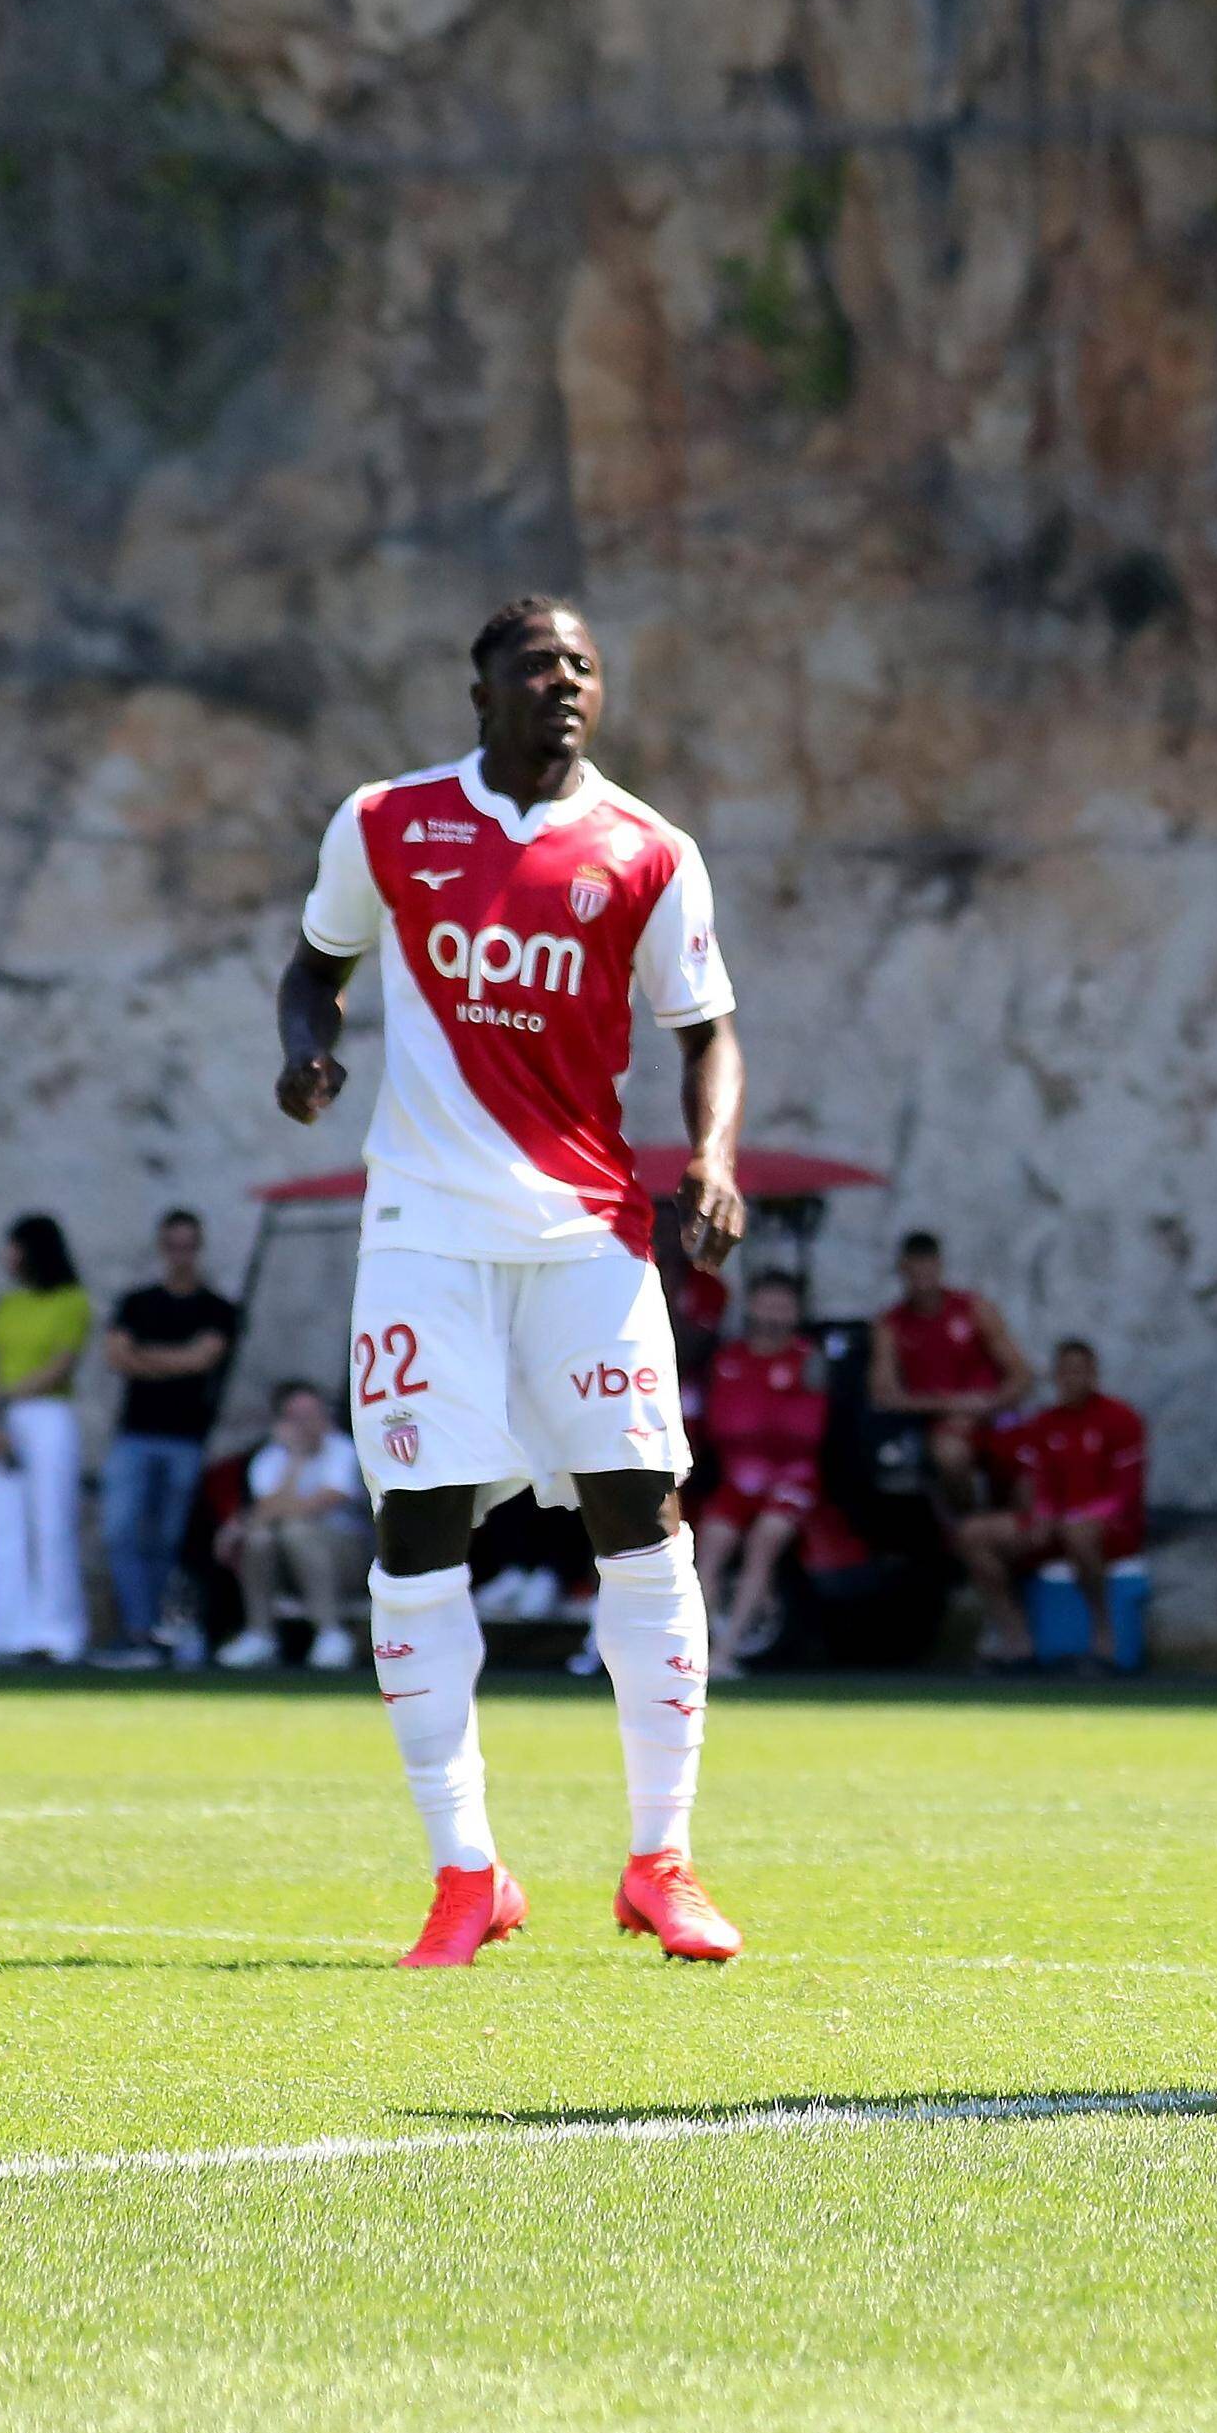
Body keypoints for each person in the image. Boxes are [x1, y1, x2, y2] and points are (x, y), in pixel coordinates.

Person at [278, 593, 751, 1969]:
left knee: (640, 1513)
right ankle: (465, 1871)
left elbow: (708, 1027)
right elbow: (315, 969)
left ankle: (661, 1859)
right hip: (423, 1232)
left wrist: (712, 1155)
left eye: (584, 665)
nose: (565, 680)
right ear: (478, 683)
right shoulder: (385, 823)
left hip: (587, 1238)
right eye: (538, 661)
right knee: (418, 1527)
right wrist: (310, 1049)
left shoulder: (648, 850)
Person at [97, 1208, 241, 1669]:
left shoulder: (216, 1308)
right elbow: (117, 1356)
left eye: (188, 1245)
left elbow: (202, 1360)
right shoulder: (137, 1302)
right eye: (173, 1245)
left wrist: (147, 1356)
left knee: (171, 1537)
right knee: (121, 1532)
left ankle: (164, 1627)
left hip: (185, 1439)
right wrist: (174, 1359)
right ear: (162, 1248)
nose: (180, 1255)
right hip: (135, 1436)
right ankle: (138, 1627)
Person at [974, 1341, 1151, 1674]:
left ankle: (1104, 1638)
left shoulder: (1120, 1419)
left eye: (1080, 1371)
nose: (1072, 1379)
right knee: (975, 1535)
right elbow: (1035, 1484)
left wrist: (1074, 1516)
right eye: (1065, 1371)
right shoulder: (1043, 1424)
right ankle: (1015, 1641)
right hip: (1055, 1522)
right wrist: (1041, 1515)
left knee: (1079, 1534)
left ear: (1094, 1374)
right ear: (1055, 1376)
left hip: (1106, 1528)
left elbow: (1123, 1494)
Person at [0, 1216, 92, 1664]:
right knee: (1, 1525)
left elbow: (62, 1363)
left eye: (13, 1246)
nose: (8, 1256)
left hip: (46, 1414)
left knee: (51, 1521)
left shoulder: (71, 1301)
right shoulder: (6, 1305)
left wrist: (8, 1398)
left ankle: (57, 1628)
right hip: (5, 1418)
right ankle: (5, 1626)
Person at [692, 1270, 832, 1672]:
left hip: (791, 1479)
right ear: (751, 1307)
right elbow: (722, 1425)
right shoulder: (729, 1359)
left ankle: (728, 1651)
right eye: (767, 1303)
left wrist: (759, 1428)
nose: (774, 1314)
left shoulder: (808, 1360)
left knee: (764, 1540)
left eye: (784, 1306)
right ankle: (701, 1650)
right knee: (711, 1547)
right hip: (739, 1479)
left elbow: (807, 1431)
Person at [209, 1380, 369, 1669]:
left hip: (348, 1560)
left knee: (295, 1530)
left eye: (312, 1416)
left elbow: (319, 1504)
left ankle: (330, 1631)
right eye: (296, 1418)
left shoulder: (342, 1450)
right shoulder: (271, 1458)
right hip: (290, 1562)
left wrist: (258, 1517)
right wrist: (295, 1460)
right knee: (259, 1537)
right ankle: (260, 1633)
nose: (306, 1425)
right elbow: (263, 1511)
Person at [870, 1233, 1026, 1504]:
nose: (921, 1277)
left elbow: (1021, 1374)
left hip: (992, 1414)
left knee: (1029, 1455)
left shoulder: (975, 1309)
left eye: (927, 1266)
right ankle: (968, 1526)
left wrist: (991, 1404)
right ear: (902, 1270)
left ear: (940, 1265)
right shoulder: (890, 1324)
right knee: (950, 1454)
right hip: (939, 1423)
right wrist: (951, 1405)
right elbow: (884, 1394)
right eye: (913, 1269)